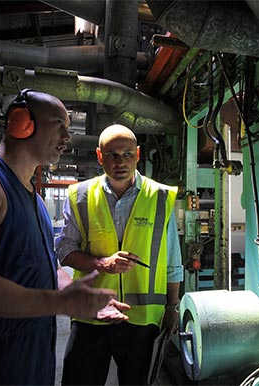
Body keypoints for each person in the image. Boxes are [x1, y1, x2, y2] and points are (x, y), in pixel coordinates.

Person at [0, 89, 130, 385]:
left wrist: (74, 292)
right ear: (21, 122)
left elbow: (46, 266)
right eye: (58, 124)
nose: (67, 136)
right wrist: (60, 305)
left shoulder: (33, 199)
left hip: (26, 364)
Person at [57, 124, 184, 386]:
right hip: (92, 311)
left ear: (137, 154)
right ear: (100, 156)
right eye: (112, 155)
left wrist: (172, 306)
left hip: (142, 319)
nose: (120, 161)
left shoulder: (160, 197)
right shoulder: (80, 196)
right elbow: (64, 250)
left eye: (127, 154)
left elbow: (172, 261)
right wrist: (101, 263)